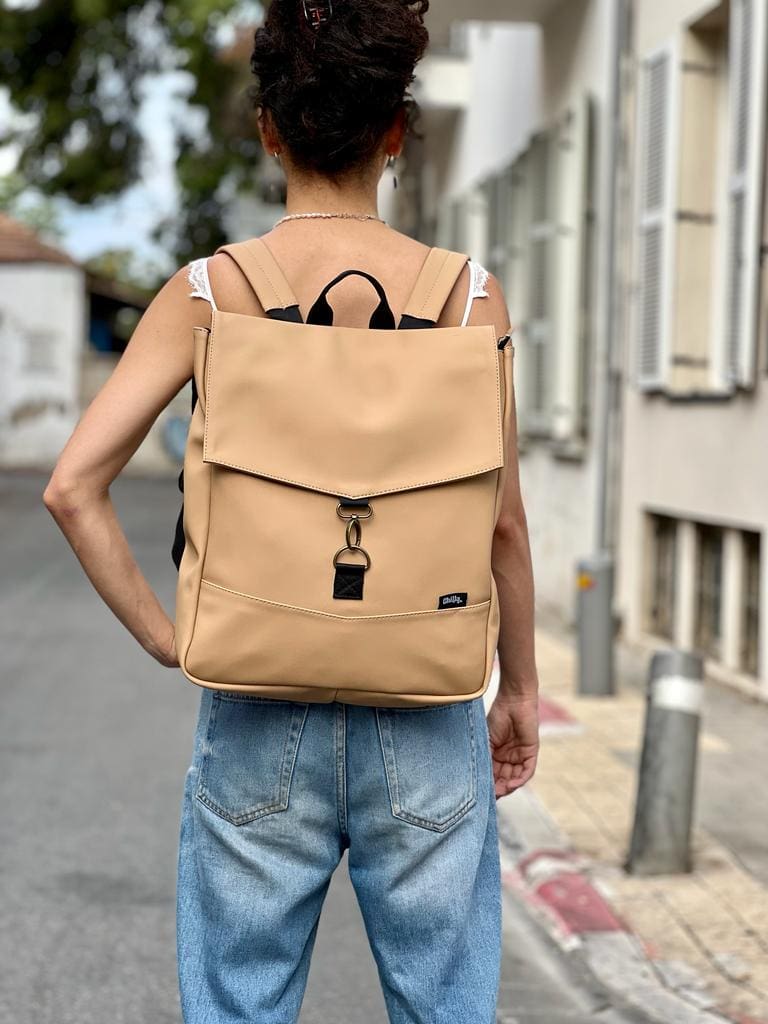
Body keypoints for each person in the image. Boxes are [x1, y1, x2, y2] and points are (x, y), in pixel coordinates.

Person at [42, 0, 540, 1021]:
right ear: (396, 131)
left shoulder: (210, 294)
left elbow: (72, 485)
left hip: (259, 701)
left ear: (269, 127)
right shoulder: (468, 299)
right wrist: (519, 689)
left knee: (239, 1002)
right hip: (425, 700)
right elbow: (500, 523)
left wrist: (170, 638)